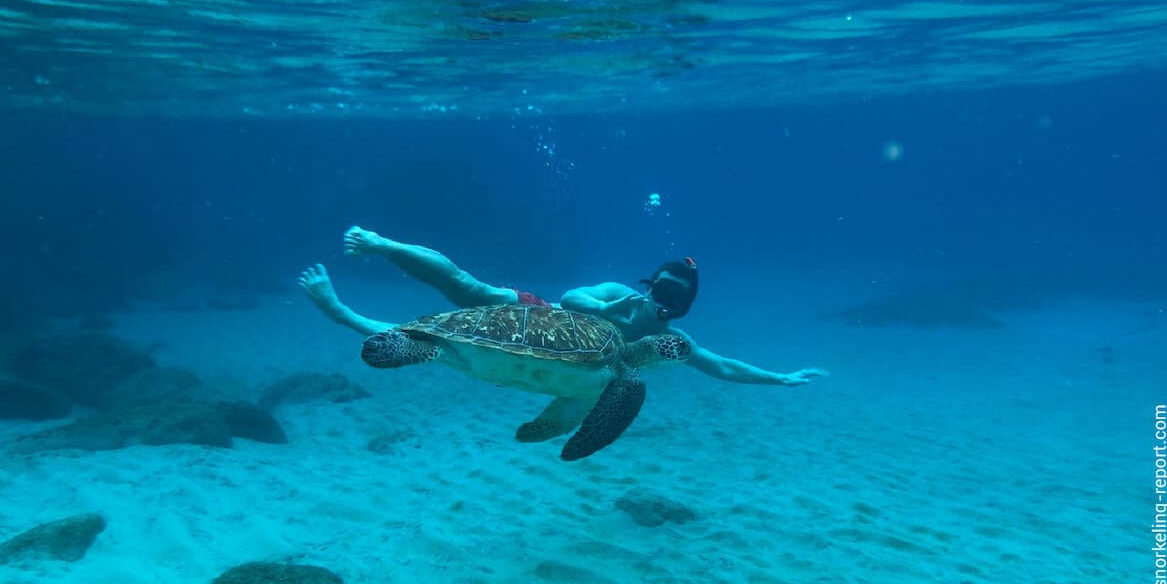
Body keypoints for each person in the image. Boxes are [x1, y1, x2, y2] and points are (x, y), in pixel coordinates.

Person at [299, 226, 827, 387]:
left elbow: (721, 365)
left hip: (550, 361)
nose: (663, 302)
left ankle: (340, 310)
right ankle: (383, 245)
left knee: (435, 345)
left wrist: (780, 378)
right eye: (659, 289)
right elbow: (574, 298)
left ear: (684, 307)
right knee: (465, 287)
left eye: (675, 299)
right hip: (542, 315)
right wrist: (618, 303)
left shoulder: (669, 342)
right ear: (651, 284)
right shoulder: (622, 293)